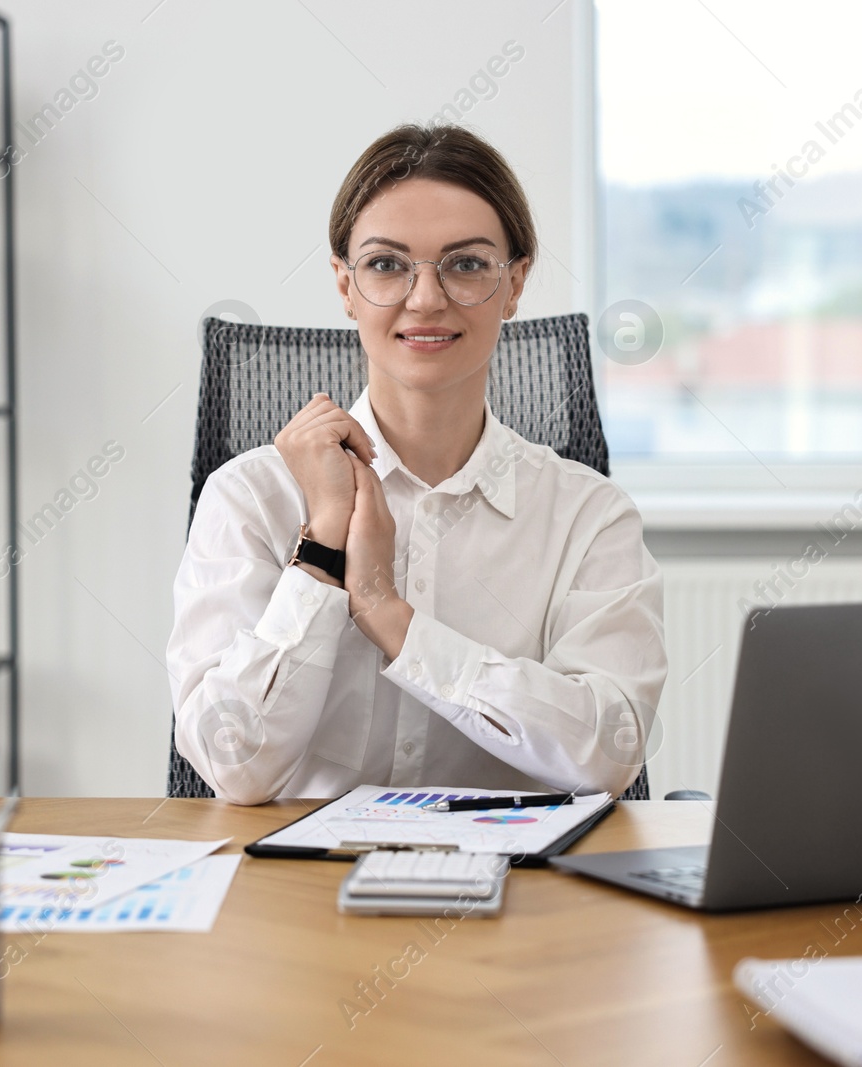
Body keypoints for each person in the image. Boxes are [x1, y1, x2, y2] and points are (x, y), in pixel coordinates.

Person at [168, 124, 666, 804]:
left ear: (514, 283)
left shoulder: (589, 515)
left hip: (522, 891)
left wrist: (386, 613)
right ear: (345, 285)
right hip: (297, 894)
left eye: (465, 264)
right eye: (386, 264)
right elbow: (236, 765)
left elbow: (607, 751)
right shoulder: (251, 498)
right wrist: (322, 547)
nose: (426, 299)